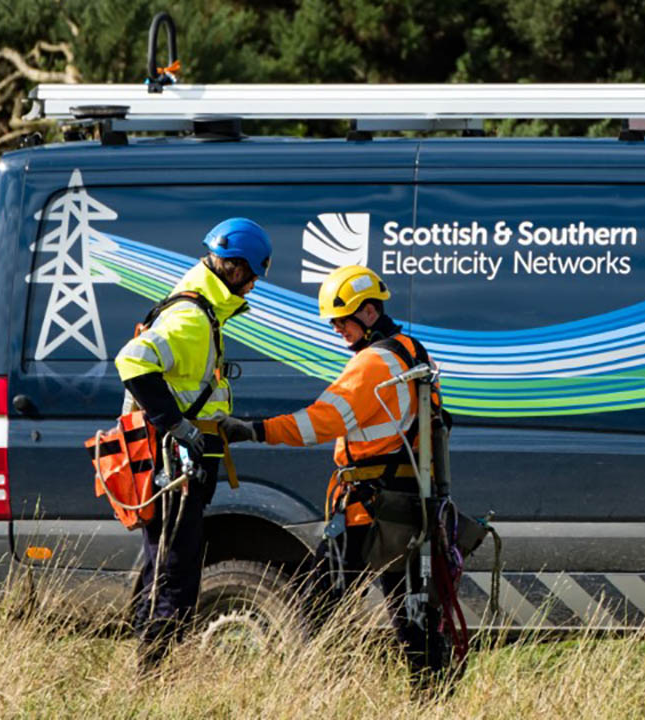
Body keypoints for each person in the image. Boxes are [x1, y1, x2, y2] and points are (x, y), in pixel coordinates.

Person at [219, 264, 450, 675]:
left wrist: (253, 430)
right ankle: (433, 692)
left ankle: (321, 683)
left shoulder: (372, 364)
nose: (337, 331)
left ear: (367, 313)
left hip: (366, 507)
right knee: (409, 610)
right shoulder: (412, 351)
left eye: (341, 321)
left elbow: (320, 421)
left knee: (320, 603)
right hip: (406, 502)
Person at [114, 217, 272, 669]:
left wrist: (212, 420)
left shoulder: (199, 307)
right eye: (253, 274)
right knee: (175, 569)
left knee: (163, 560)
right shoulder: (192, 316)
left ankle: (149, 661)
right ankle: (153, 667)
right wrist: (176, 426)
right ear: (235, 267)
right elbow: (132, 362)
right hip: (177, 462)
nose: (254, 285)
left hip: (184, 458)